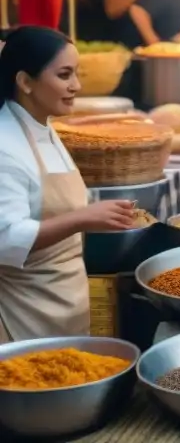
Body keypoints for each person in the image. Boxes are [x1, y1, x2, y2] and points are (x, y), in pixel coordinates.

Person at [0, 27, 135, 343]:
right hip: (25, 309)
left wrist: (101, 212)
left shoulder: (43, 126)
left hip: (65, 296)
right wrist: (83, 218)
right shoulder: (5, 146)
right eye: (64, 75)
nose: (77, 86)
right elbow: (5, 239)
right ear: (25, 82)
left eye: (76, 73)